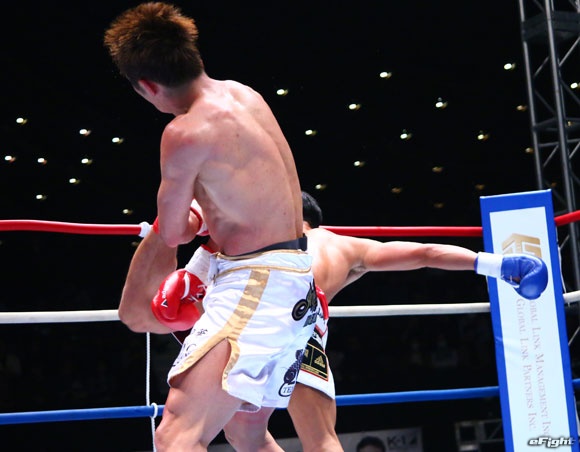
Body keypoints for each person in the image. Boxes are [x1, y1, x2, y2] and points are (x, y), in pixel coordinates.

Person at [120, 191, 548, 451]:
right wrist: (495, 264)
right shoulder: (347, 248)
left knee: (238, 436)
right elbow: (425, 254)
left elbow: (156, 307)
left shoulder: (257, 238)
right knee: (288, 438)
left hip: (260, 325)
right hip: (305, 341)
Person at [104, 2, 316, 450]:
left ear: (148, 86)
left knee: (176, 435)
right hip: (295, 276)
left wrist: (193, 216)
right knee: (247, 433)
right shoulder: (245, 95)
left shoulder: (184, 133)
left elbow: (173, 233)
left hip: (255, 283)